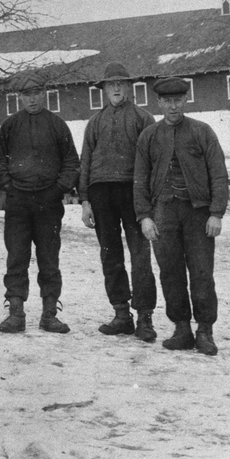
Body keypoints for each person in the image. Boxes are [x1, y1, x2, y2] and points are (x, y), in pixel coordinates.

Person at [134, 77, 229, 355]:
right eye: (168, 101)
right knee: (170, 273)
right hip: (163, 212)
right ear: (159, 103)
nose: (173, 106)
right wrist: (144, 217)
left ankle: (204, 331)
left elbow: (219, 174)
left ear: (185, 101)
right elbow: (139, 180)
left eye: (178, 100)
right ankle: (182, 328)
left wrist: (216, 213)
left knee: (202, 273)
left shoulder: (202, 131)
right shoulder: (149, 136)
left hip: (198, 212)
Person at [0, 72, 80, 334]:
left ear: (44, 94)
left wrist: (57, 190)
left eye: (36, 94)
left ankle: (49, 314)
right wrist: (9, 187)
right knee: (17, 256)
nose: (32, 100)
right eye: (26, 95)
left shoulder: (57, 124)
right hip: (18, 202)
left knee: (49, 258)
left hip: (48, 202)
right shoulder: (10, 126)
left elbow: (71, 162)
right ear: (20, 97)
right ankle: (16, 313)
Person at [79, 62, 158, 341]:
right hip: (102, 193)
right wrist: (85, 201)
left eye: (120, 84)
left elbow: (154, 161)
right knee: (110, 255)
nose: (115, 88)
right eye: (110, 84)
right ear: (102, 89)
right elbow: (85, 162)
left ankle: (145, 317)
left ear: (128, 87)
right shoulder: (95, 122)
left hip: (133, 192)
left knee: (140, 256)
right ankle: (121, 314)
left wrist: (149, 202)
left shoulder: (143, 119)